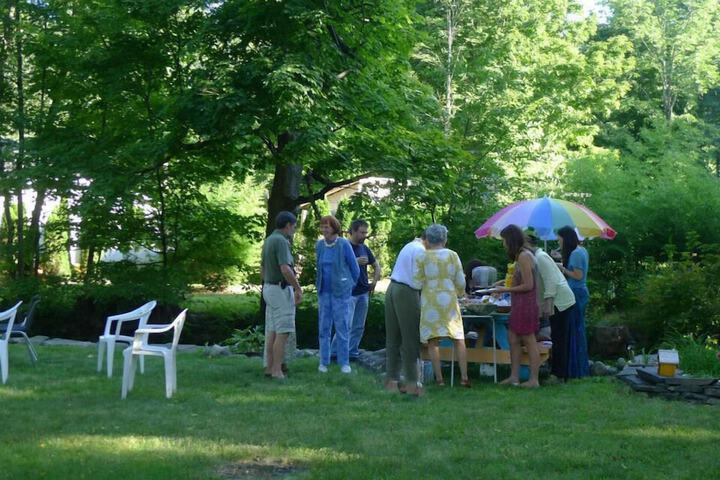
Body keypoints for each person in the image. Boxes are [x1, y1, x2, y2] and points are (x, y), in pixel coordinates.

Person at [414, 224, 470, 388]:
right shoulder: (452, 255)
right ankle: (464, 377)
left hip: (430, 300)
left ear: (428, 240)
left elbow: (417, 281)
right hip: (448, 299)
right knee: (458, 338)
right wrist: (460, 293)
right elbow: (460, 279)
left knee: (433, 340)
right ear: (444, 239)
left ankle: (439, 380)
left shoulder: (422, 257)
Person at [495, 224, 541, 388]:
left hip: (527, 304)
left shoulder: (524, 256)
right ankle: (514, 377)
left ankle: (533, 380)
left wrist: (506, 289)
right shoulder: (520, 256)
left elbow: (528, 285)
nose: (503, 244)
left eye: (504, 241)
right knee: (512, 338)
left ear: (511, 240)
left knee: (529, 340)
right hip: (518, 303)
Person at [525, 232, 576, 380]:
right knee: (557, 337)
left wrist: (547, 304)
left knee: (559, 338)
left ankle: (559, 374)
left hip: (561, 302)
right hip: (557, 301)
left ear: (528, 244)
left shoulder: (541, 257)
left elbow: (551, 281)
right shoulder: (536, 258)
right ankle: (557, 372)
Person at [260, 211, 302, 380]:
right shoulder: (281, 241)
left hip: (268, 288)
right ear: (288, 225)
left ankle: (270, 368)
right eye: (294, 226)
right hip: (279, 290)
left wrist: (267, 284)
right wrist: (297, 288)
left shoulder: (269, 240)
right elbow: (285, 269)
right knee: (283, 331)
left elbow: (262, 269)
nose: (294, 229)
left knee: (272, 330)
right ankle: (277, 370)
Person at [331, 219, 381, 361]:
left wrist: (375, 282)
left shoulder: (364, 248)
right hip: (348, 293)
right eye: (361, 232)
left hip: (363, 292)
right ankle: (335, 353)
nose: (364, 235)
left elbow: (376, 266)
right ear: (352, 231)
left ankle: (352, 352)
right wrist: (355, 261)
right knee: (345, 324)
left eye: (366, 232)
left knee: (358, 326)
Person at [315, 215, 360, 374]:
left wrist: (348, 285)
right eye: (322, 226)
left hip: (341, 293)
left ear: (334, 228)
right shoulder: (319, 245)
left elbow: (355, 269)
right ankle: (323, 362)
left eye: (326, 226)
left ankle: (344, 362)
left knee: (342, 328)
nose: (324, 229)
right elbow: (318, 267)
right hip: (324, 293)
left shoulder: (343, 244)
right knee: (324, 328)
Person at [384, 234, 425, 395]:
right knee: (410, 339)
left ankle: (392, 380)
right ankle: (412, 382)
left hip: (392, 288)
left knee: (393, 339)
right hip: (406, 291)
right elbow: (419, 279)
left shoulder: (410, 245)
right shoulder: (421, 251)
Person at [556, 225, 590, 378]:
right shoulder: (582, 250)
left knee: (574, 329)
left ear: (566, 238)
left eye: (559, 238)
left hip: (575, 293)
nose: (558, 241)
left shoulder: (575, 253)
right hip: (580, 292)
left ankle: (575, 369)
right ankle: (578, 367)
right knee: (577, 328)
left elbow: (577, 275)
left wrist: (561, 268)